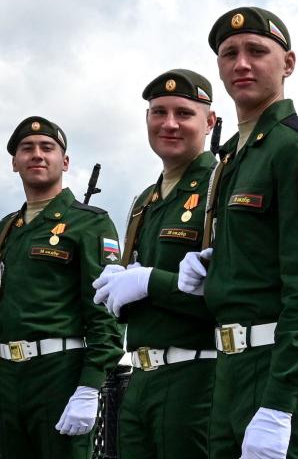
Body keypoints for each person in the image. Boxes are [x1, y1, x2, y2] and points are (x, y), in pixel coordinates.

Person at [179, 7, 298, 458]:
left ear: (288, 63)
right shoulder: (233, 157)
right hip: (229, 373)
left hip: (285, 378)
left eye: (257, 51)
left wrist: (278, 404)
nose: (242, 64)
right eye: (229, 53)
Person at [0, 116, 123, 459]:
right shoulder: (8, 226)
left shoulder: (89, 221)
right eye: (27, 149)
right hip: (9, 375)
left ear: (64, 161)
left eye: (47, 148)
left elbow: (106, 310)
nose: (37, 154)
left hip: (59, 373)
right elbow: (10, 311)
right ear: (14, 163)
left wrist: (89, 386)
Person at [92, 69, 218, 458]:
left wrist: (151, 282)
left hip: (197, 376)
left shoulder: (221, 182)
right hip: (140, 377)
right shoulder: (145, 200)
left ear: (209, 121)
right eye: (158, 113)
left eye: (183, 113)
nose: (169, 124)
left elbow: (228, 292)